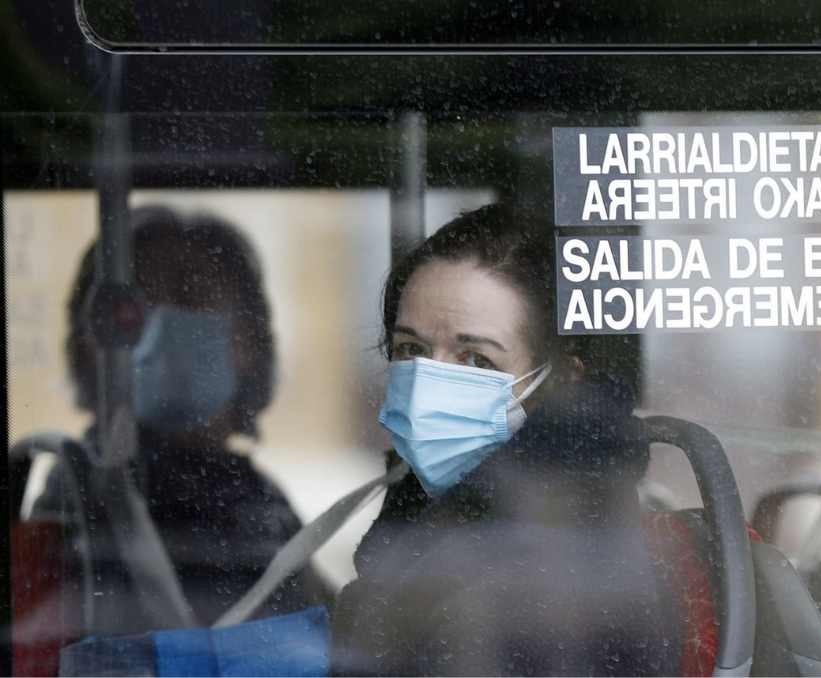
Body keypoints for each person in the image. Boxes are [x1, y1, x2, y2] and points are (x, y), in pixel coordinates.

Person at [331, 204, 676, 676]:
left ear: (558, 384)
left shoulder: (542, 565)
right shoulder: (451, 519)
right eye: (411, 349)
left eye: (476, 360)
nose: (430, 381)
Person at [33, 205, 331, 634]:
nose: (160, 325)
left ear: (248, 338)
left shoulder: (257, 498)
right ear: (90, 348)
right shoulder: (88, 495)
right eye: (132, 311)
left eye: (190, 296)